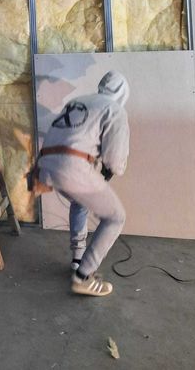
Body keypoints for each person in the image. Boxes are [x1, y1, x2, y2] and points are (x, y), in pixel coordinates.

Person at [37, 70, 130, 297]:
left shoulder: (79, 101)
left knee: (80, 202)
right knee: (115, 218)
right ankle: (83, 276)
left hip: (44, 164)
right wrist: (111, 170)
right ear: (123, 93)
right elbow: (115, 161)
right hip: (71, 166)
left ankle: (78, 258)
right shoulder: (115, 110)